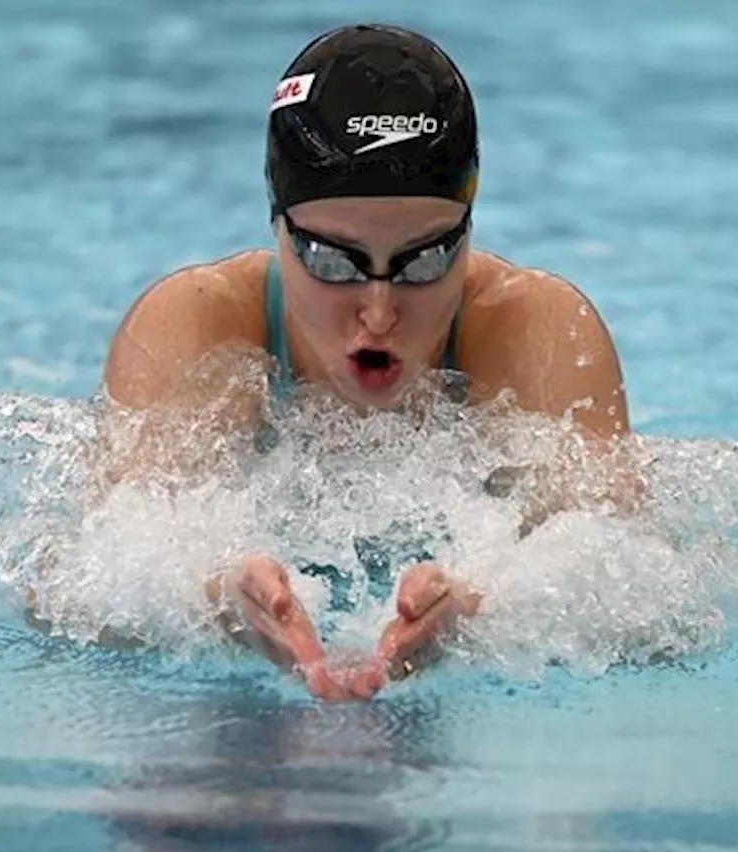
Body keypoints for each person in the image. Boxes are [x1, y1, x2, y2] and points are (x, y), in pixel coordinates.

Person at [96, 23, 638, 701]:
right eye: (332, 260)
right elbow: (92, 573)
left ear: (468, 234)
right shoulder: (199, 324)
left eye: (426, 258)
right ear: (277, 226)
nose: (379, 310)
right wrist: (213, 601)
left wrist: (486, 611)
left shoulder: (535, 330)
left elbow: (631, 577)